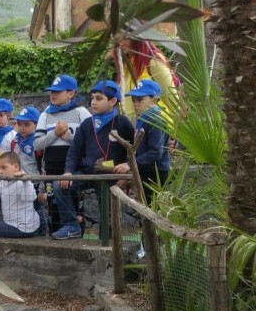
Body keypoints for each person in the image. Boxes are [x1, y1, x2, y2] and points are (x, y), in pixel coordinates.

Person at [52, 80, 134, 240]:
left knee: (108, 223)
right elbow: (74, 151)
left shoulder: (123, 123)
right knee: (58, 185)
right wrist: (68, 172)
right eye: (92, 98)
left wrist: (128, 169)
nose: (93, 102)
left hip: (111, 177)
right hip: (87, 173)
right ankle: (72, 226)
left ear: (112, 101)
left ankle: (108, 240)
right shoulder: (87, 124)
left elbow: (133, 151)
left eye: (98, 98)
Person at [33, 74, 92, 232]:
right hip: (52, 170)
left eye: (58, 91)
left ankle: (77, 239)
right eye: (52, 91)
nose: (53, 95)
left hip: (73, 170)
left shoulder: (82, 112)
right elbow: (37, 144)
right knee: (54, 208)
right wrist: (55, 134)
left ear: (70, 93)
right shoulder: (45, 114)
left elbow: (92, 144)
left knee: (76, 208)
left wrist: (70, 137)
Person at [116, 79, 171, 204]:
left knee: (152, 212)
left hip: (155, 173)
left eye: (140, 100)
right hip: (145, 170)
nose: (135, 104)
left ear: (155, 100)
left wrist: (129, 165)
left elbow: (155, 152)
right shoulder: (143, 119)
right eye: (133, 100)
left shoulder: (156, 120)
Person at [0, 152, 42, 238]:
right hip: (11, 224)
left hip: (24, 228)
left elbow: (30, 198)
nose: (0, 171)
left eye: (4, 168)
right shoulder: (4, 181)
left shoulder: (23, 181)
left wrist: (25, 181)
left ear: (16, 167)